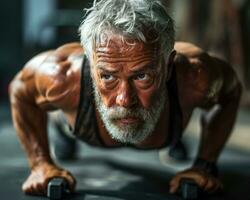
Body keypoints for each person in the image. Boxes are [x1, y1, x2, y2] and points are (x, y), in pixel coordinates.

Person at [9, 0, 242, 196]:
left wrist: (204, 164)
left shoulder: (194, 77)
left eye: (141, 76)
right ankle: (63, 134)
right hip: (77, 123)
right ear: (92, 67)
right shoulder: (61, 77)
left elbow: (231, 92)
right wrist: (40, 163)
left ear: (168, 66)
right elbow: (19, 89)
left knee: (171, 108)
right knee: (64, 116)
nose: (124, 99)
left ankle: (172, 136)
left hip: (165, 118)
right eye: (108, 77)